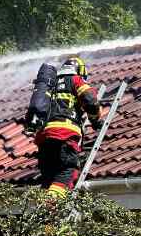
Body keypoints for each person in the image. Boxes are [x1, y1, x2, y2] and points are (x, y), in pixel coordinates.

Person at [35, 56, 104, 198]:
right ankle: (50, 206)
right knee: (67, 171)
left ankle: (43, 214)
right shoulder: (75, 80)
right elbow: (90, 101)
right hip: (64, 135)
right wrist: (95, 120)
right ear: (79, 71)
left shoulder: (50, 85)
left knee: (49, 178)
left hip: (44, 138)